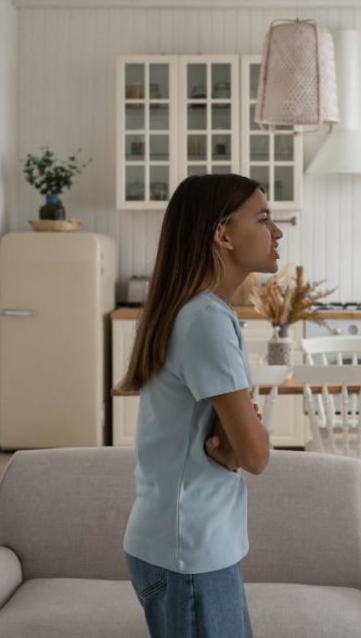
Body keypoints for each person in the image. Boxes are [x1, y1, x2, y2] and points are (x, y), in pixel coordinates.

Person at [118, 173, 283, 637]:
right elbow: (254, 455)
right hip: (189, 550)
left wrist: (240, 435)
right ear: (222, 234)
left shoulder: (192, 310)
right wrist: (246, 433)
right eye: (264, 218)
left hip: (178, 544)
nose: (278, 231)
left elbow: (235, 444)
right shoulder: (207, 320)